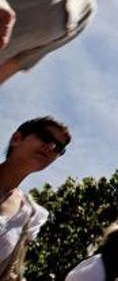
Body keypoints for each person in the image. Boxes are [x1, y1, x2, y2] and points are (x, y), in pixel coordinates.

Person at [0, 115, 71, 278]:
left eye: (59, 148)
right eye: (46, 137)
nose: (51, 146)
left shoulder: (29, 214)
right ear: (16, 139)